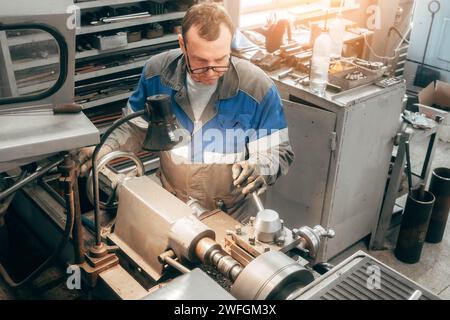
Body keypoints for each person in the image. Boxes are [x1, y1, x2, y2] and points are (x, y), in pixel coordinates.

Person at [78, 3, 294, 222]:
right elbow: (135, 129)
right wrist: (105, 148)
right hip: (171, 200)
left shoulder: (257, 88)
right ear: (183, 45)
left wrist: (260, 168)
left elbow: (278, 151)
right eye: (201, 61)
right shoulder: (156, 74)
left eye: (221, 60)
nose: (211, 71)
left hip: (230, 212)